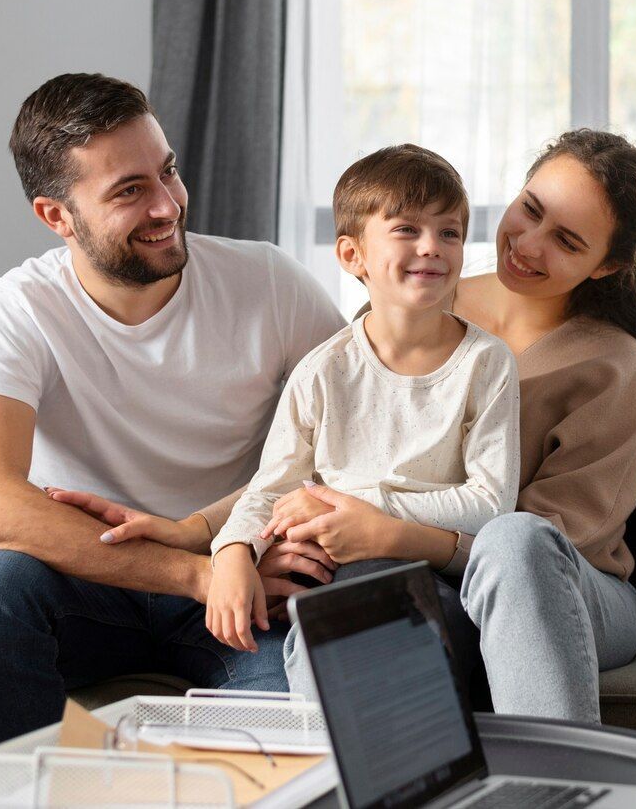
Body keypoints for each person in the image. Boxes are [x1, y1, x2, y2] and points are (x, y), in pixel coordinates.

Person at [55, 128, 636, 724]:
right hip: (429, 579)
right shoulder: (417, 299)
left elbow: (529, 538)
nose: (529, 243)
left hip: (564, 588)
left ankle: (554, 790)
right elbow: (320, 470)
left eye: (567, 241)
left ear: (606, 264)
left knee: (514, 543)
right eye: (529, 210)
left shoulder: (612, 368)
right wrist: (201, 533)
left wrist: (381, 530)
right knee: (344, 612)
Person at [0, 73, 345, 749]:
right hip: (89, 584)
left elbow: (356, 438)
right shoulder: (16, 310)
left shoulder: (269, 284)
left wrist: (241, 548)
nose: (167, 206)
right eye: (129, 191)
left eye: (169, 172)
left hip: (235, 580)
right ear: (56, 216)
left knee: (285, 733)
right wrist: (190, 572)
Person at [205, 144, 520, 661]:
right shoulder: (322, 371)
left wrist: (359, 507)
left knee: (391, 624)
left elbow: (490, 506)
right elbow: (271, 490)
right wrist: (233, 553)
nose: (431, 246)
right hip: (333, 571)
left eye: (449, 232)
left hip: (436, 573)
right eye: (406, 229)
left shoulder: (486, 363)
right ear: (353, 255)